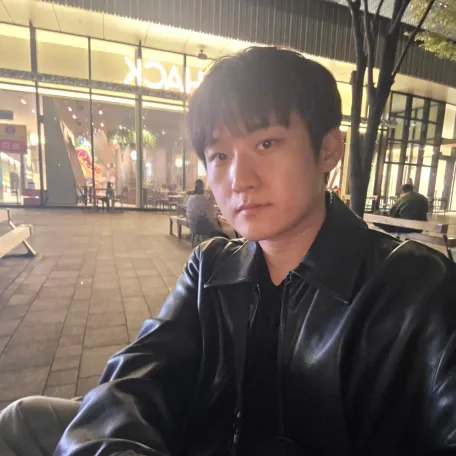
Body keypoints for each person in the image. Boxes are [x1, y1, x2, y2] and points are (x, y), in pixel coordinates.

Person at [1, 46, 456, 456]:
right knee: (22, 421)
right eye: (219, 155)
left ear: (328, 150)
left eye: (266, 143)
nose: (239, 179)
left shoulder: (414, 287)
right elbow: (138, 377)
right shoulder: (213, 267)